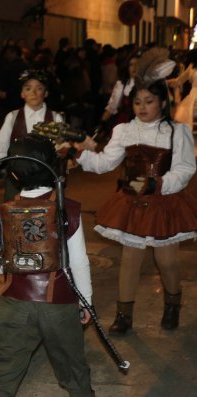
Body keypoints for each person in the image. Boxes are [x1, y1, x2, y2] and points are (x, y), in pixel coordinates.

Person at [72, 49, 197, 334]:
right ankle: (123, 316)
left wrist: (159, 184)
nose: (142, 107)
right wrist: (80, 156)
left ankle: (172, 303)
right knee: (130, 259)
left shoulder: (177, 132)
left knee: (166, 261)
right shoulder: (124, 130)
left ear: (162, 102)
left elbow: (185, 170)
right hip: (131, 201)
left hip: (164, 201)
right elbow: (105, 163)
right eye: (137, 102)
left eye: (149, 101)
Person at [0, 136, 93, 397]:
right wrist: (86, 301)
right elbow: (79, 261)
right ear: (55, 168)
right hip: (60, 305)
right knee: (73, 368)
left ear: (14, 176)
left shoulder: (1, 212)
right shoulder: (68, 209)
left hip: (15, 304)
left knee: (3, 370)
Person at [0, 69, 64, 200]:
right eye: (28, 88)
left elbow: (61, 150)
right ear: (22, 93)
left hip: (47, 183)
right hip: (16, 181)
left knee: (48, 218)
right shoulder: (13, 117)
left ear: (46, 92)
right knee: (13, 217)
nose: (33, 93)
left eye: (39, 88)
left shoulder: (56, 118)